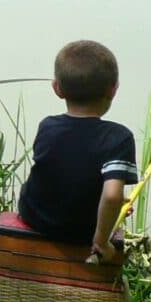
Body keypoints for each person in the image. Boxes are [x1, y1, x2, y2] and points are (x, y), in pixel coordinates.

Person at [18, 40, 138, 262]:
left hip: (36, 219)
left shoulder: (47, 126)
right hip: (84, 232)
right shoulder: (119, 137)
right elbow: (112, 195)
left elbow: (65, 169)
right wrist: (101, 242)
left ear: (57, 88)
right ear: (113, 89)